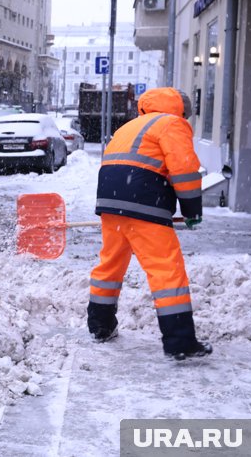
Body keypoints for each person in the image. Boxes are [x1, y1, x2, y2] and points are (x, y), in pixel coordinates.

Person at [87, 87, 213, 361]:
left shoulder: (131, 126)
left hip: (110, 199)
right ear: (181, 110)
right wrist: (192, 210)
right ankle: (180, 342)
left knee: (111, 262)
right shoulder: (172, 124)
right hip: (143, 199)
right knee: (166, 270)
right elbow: (185, 169)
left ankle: (100, 326)